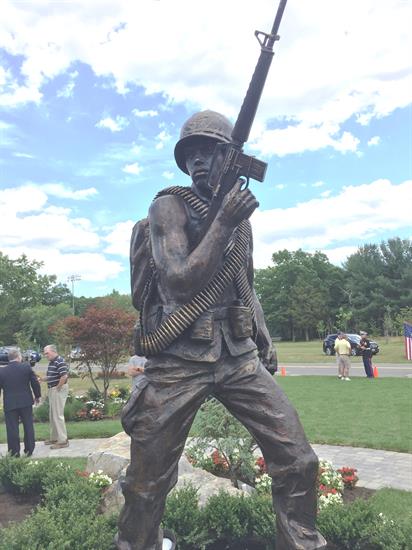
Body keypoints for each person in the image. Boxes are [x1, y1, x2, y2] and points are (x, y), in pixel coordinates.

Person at [116, 111, 326, 550]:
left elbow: (244, 283)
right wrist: (224, 222)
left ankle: (301, 542)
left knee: (298, 460)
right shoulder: (168, 207)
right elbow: (178, 280)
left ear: (231, 157)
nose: (198, 160)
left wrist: (263, 334)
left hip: (237, 357)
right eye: (191, 153)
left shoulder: (240, 220)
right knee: (146, 481)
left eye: (209, 151)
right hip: (177, 360)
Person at [0, 347, 41, 457]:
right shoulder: (26, 367)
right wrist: (37, 396)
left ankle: (14, 452)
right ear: (19, 357)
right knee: (28, 426)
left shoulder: (2, 371)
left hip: (10, 403)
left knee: (12, 428)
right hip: (25, 402)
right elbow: (35, 382)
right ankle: (29, 450)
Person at [42, 344, 69, 449]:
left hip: (58, 389)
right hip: (52, 389)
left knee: (58, 415)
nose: (45, 355)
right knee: (52, 414)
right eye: (44, 353)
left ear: (53, 351)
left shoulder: (60, 361)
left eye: (47, 353)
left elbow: (64, 376)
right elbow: (51, 376)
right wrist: (42, 379)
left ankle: (63, 441)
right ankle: (54, 438)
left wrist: (58, 387)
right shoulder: (52, 362)